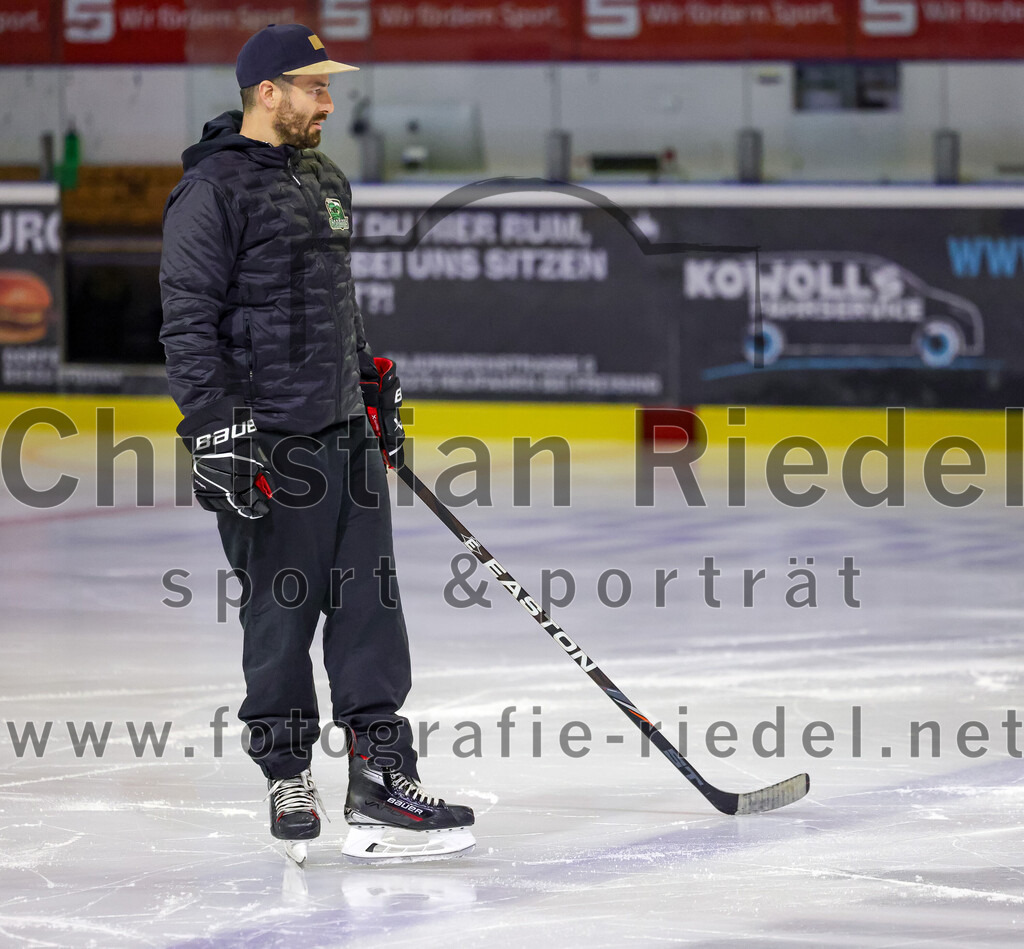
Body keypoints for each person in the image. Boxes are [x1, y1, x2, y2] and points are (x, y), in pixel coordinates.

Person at [159, 23, 474, 864]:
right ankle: (286, 771)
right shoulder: (210, 191)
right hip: (269, 445)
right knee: (283, 611)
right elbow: (187, 325)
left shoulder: (324, 177)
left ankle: (379, 778)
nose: (329, 103)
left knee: (371, 608)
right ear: (268, 91)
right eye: (314, 88)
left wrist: (370, 382)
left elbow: (340, 299)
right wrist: (217, 431)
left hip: (343, 432)